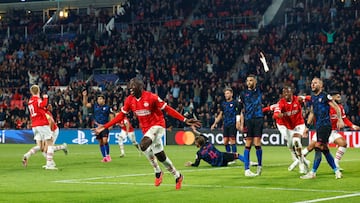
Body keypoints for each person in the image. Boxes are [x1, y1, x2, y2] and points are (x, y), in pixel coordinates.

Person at [94, 77, 201, 190]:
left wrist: (184, 120)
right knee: (161, 157)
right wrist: (105, 126)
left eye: (133, 86)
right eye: (129, 86)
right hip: (146, 129)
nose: (130, 88)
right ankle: (178, 176)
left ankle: (157, 172)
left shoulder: (151, 97)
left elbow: (168, 109)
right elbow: (121, 115)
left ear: (140, 87)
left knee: (143, 145)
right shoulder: (130, 100)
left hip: (158, 125)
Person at [302, 90, 360, 171]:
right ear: (332, 97)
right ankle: (299, 160)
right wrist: (303, 97)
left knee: (343, 143)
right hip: (323, 130)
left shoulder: (340, 107)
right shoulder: (325, 105)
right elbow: (311, 98)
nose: (340, 98)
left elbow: (344, 119)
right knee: (311, 147)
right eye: (338, 96)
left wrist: (352, 125)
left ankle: (336, 163)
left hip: (333, 132)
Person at [300, 78, 344, 179]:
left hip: (325, 126)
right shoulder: (313, 98)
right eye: (312, 83)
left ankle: (313, 173)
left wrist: (340, 119)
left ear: (321, 85)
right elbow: (312, 112)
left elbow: (336, 107)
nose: (312, 85)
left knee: (318, 146)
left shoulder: (325, 96)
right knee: (323, 149)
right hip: (318, 126)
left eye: (315, 83)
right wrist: (307, 127)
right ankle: (336, 171)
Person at [272, 86, 310, 174]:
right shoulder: (281, 103)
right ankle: (304, 161)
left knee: (296, 141)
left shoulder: (298, 99)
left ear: (291, 93)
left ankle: (301, 163)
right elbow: (275, 113)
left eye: (287, 92)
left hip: (298, 124)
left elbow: (309, 98)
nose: (285, 94)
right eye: (284, 93)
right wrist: (278, 115)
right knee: (290, 144)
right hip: (288, 127)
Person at [22, 104, 68, 168]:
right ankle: (61, 148)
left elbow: (51, 122)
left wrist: (50, 134)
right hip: (43, 131)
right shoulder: (35, 114)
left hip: (53, 130)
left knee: (46, 149)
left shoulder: (46, 113)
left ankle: (50, 163)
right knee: (42, 148)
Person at [22, 85, 57, 170]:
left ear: (31, 92)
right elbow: (42, 104)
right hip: (42, 123)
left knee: (40, 146)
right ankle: (49, 164)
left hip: (34, 125)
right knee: (50, 142)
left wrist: (46, 109)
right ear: (39, 91)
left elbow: (39, 109)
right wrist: (45, 98)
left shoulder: (30, 101)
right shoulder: (38, 99)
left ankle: (27, 155)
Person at [239, 74, 264, 177]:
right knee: (248, 143)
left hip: (258, 118)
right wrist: (239, 121)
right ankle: (247, 169)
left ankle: (259, 166)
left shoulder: (259, 90)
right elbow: (240, 107)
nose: (249, 82)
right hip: (248, 120)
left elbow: (266, 76)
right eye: (248, 80)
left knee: (257, 143)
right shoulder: (243, 93)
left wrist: (264, 64)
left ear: (255, 82)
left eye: (251, 80)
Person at [211, 87, 243, 160]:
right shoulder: (223, 104)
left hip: (233, 124)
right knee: (225, 142)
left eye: (228, 93)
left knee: (232, 141)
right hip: (226, 124)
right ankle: (229, 156)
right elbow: (221, 114)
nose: (226, 95)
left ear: (231, 94)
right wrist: (215, 123)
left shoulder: (235, 103)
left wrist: (239, 123)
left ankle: (234, 157)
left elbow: (240, 113)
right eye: (225, 94)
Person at [83, 90, 114, 162]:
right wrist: (84, 96)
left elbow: (111, 116)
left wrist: (111, 125)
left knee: (105, 140)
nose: (99, 100)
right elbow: (85, 104)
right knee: (100, 142)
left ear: (104, 100)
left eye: (100, 99)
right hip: (97, 127)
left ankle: (108, 155)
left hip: (104, 126)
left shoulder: (108, 107)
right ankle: (104, 157)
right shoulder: (95, 106)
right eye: (98, 99)